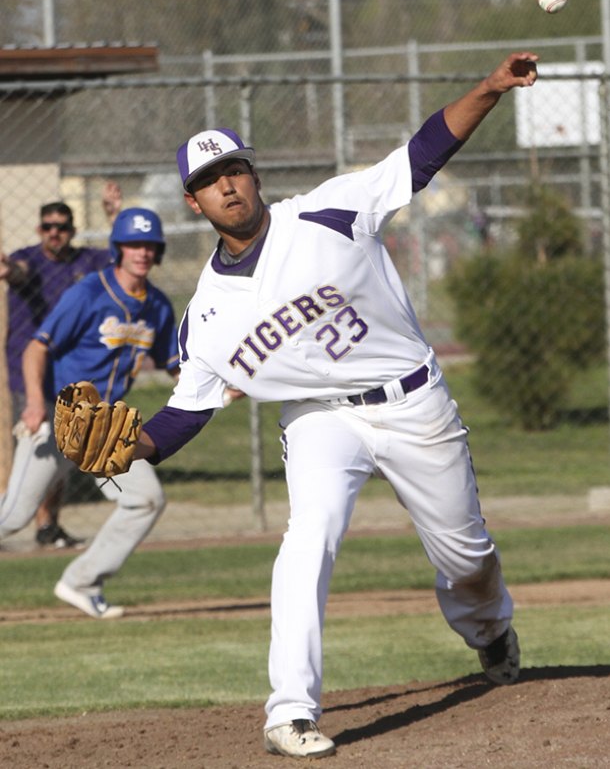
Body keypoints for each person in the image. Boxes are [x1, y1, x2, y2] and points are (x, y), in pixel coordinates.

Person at [129, 52, 537, 759]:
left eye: (233, 170)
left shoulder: (329, 210)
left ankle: (489, 627)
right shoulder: (207, 315)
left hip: (413, 401)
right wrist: (128, 447)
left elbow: (423, 153)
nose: (225, 185)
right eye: (207, 182)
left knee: (467, 558)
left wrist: (492, 87)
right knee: (306, 538)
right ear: (193, 203)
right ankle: (290, 711)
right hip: (319, 419)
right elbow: (188, 411)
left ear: (254, 175)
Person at [0, 207, 180, 619]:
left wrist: (219, 386)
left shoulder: (156, 305)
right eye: (133, 244)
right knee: (12, 516)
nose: (142, 252)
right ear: (118, 249)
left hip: (103, 427)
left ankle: (81, 581)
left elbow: (174, 365)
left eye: (149, 245)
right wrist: (33, 403)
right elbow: (36, 348)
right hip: (59, 412)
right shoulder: (88, 293)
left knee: (146, 499)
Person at [0, 199, 116, 548]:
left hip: (70, 372)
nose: (55, 233)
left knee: (64, 452)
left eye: (62, 227)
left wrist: (114, 218)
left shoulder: (85, 262)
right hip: (30, 374)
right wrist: (8, 268)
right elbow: (19, 271)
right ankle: (16, 522)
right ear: (39, 230)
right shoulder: (29, 259)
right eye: (48, 227)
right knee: (36, 451)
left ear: (72, 230)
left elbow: (123, 261)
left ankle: (48, 526)